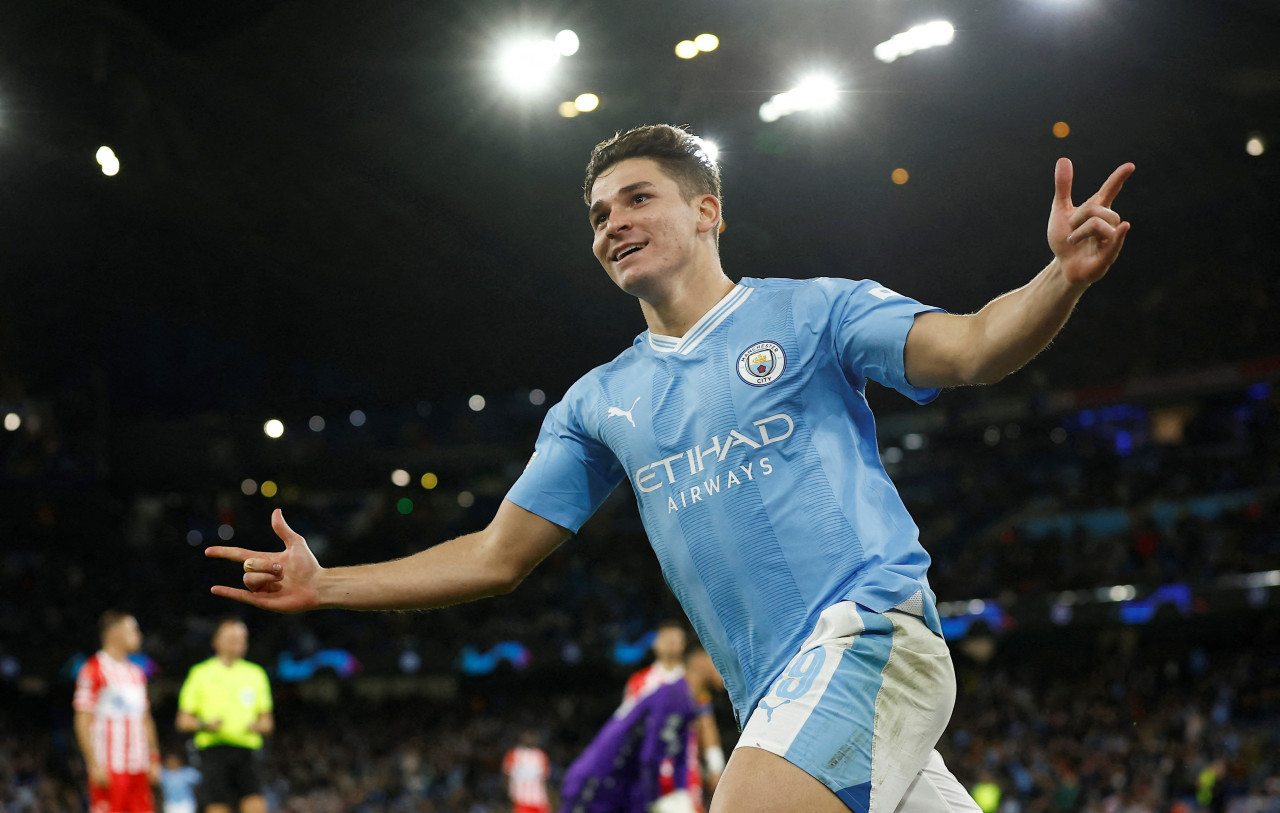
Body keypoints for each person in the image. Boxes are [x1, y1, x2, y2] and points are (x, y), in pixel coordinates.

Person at [207, 124, 1134, 813]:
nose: (614, 223)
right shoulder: (597, 401)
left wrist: (1060, 278)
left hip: (868, 638)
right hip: (770, 693)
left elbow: (972, 347)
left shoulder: (817, 313)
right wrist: (326, 585)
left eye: (638, 198)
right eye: (600, 214)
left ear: (707, 209)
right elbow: (496, 556)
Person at [562, 649, 724, 813]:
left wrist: (681, 794)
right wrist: (654, 802)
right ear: (698, 660)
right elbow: (650, 756)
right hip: (598, 781)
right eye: (720, 655)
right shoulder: (672, 696)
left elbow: (679, 758)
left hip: (625, 786)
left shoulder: (689, 705)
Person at [618, 621, 724, 808]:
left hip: (684, 772)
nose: (671, 643)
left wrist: (715, 765)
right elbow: (624, 727)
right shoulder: (639, 682)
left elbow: (706, 724)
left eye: (676, 639)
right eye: (666, 638)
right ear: (655, 644)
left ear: (683, 645)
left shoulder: (692, 682)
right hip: (646, 770)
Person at [175, 619, 273, 813]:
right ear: (215, 641)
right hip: (213, 750)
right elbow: (183, 721)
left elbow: (267, 722)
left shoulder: (256, 674)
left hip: (247, 749)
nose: (237, 642)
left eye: (241, 638)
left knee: (254, 802)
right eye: (231, 637)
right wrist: (204, 724)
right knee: (216, 804)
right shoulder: (200, 673)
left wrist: (257, 726)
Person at [73, 610, 162, 813]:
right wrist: (94, 764)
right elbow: (82, 720)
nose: (138, 635)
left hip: (138, 766)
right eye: (133, 630)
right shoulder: (93, 669)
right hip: (110, 766)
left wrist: (154, 757)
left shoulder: (136, 673)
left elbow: (145, 719)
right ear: (115, 634)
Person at [503, 731, 553, 813]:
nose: (529, 739)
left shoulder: (541, 755)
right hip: (520, 800)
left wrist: (549, 800)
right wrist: (508, 797)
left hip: (539, 801)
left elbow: (545, 780)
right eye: (527, 736)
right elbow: (506, 777)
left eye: (532, 736)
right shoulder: (513, 754)